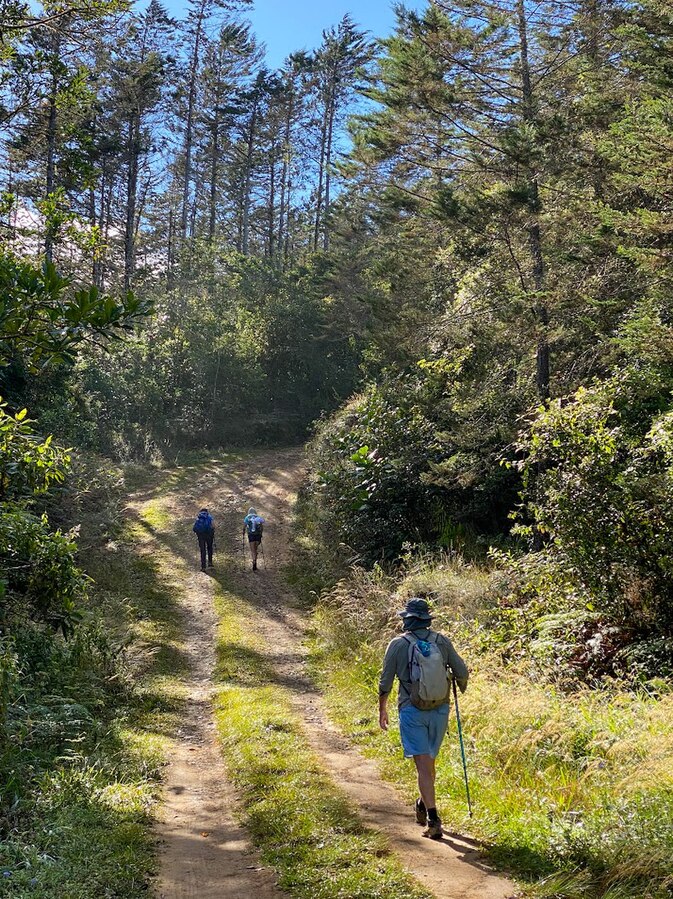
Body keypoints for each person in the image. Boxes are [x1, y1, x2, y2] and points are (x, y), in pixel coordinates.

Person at [378, 596, 468, 840]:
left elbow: (386, 681)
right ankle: (421, 803)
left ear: (407, 620)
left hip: (412, 709)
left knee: (424, 767)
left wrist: (382, 709)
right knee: (429, 765)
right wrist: (457, 686)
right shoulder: (442, 641)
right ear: (427, 620)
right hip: (440, 709)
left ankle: (433, 818)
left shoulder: (397, 644)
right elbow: (462, 671)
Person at [243, 507, 264, 571]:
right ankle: (255, 561)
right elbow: (261, 527)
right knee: (255, 549)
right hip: (258, 536)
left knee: (253, 550)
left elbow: (244, 526)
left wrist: (243, 533)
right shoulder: (258, 518)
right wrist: (261, 534)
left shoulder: (247, 517)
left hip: (251, 535)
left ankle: (254, 561)